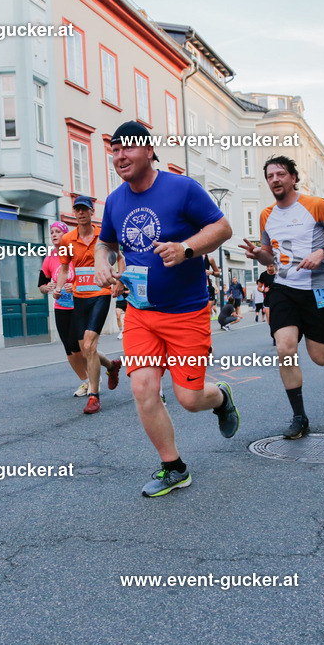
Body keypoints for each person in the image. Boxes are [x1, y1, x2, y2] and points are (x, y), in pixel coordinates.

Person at [94, 120, 239, 498]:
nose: (119, 156)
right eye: (114, 150)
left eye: (127, 148)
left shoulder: (182, 188)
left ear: (148, 150)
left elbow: (223, 229)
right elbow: (105, 243)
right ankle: (173, 467)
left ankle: (220, 396)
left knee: (190, 399)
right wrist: (102, 262)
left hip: (186, 313)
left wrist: (186, 248)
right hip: (140, 313)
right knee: (143, 387)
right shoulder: (114, 201)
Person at [240, 155, 324, 440]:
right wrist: (259, 255)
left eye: (280, 174)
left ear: (293, 177)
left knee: (318, 355)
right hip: (284, 288)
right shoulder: (266, 215)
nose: (275, 180)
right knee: (285, 348)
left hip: (318, 289)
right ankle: (299, 417)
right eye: (270, 176)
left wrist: (323, 252)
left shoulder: (315, 205)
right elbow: (269, 255)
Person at [54, 196, 122, 414]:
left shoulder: (104, 235)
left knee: (90, 345)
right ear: (74, 213)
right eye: (77, 210)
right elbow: (64, 268)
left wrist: (119, 281)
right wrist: (58, 287)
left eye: (85, 209)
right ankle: (112, 366)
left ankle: (94, 396)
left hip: (100, 294)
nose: (81, 213)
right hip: (79, 297)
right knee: (85, 349)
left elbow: (120, 258)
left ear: (92, 212)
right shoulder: (66, 240)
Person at [39, 222, 89, 396]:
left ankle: (103, 370)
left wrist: (73, 286)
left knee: (81, 346)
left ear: (66, 235)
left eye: (58, 232)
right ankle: (87, 381)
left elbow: (87, 277)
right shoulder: (49, 258)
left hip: (79, 305)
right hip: (61, 307)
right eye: (51, 232)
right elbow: (41, 285)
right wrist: (48, 287)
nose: (54, 235)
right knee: (69, 349)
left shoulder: (75, 253)